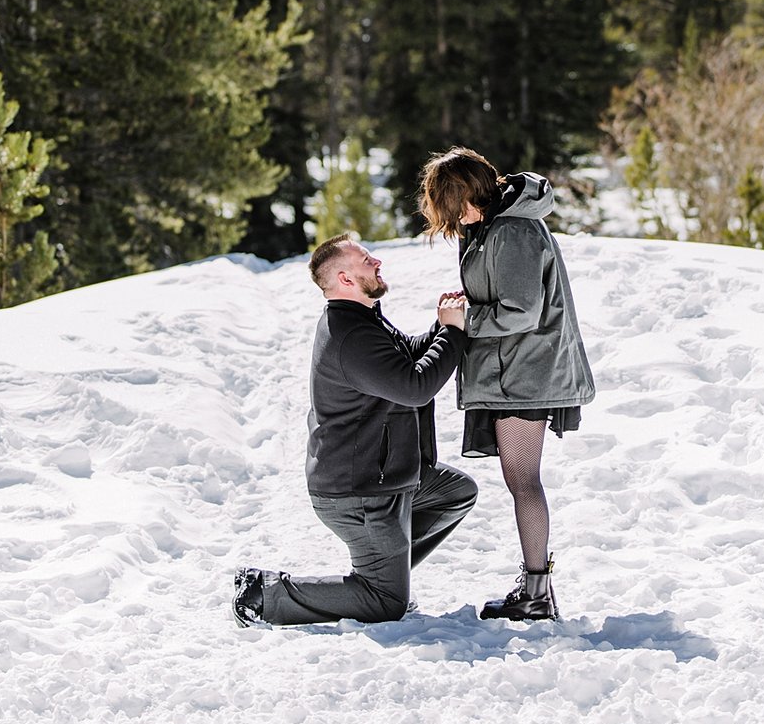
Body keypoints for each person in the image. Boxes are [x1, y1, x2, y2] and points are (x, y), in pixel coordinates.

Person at [232, 232, 477, 626]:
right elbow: (415, 387)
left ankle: (387, 570)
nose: (377, 263)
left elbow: (405, 357)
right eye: (367, 260)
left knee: (455, 493)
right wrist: (452, 332)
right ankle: (264, 594)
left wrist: (440, 325)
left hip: (386, 476)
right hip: (359, 491)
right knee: (385, 604)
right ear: (345, 279)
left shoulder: (360, 319)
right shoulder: (350, 336)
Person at [418, 146, 595, 622]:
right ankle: (536, 589)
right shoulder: (487, 228)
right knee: (520, 480)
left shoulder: (513, 229)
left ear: (465, 196)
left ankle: (537, 592)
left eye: (448, 206)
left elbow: (521, 310)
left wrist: (465, 317)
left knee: (523, 480)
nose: (449, 219)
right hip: (511, 371)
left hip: (527, 374)